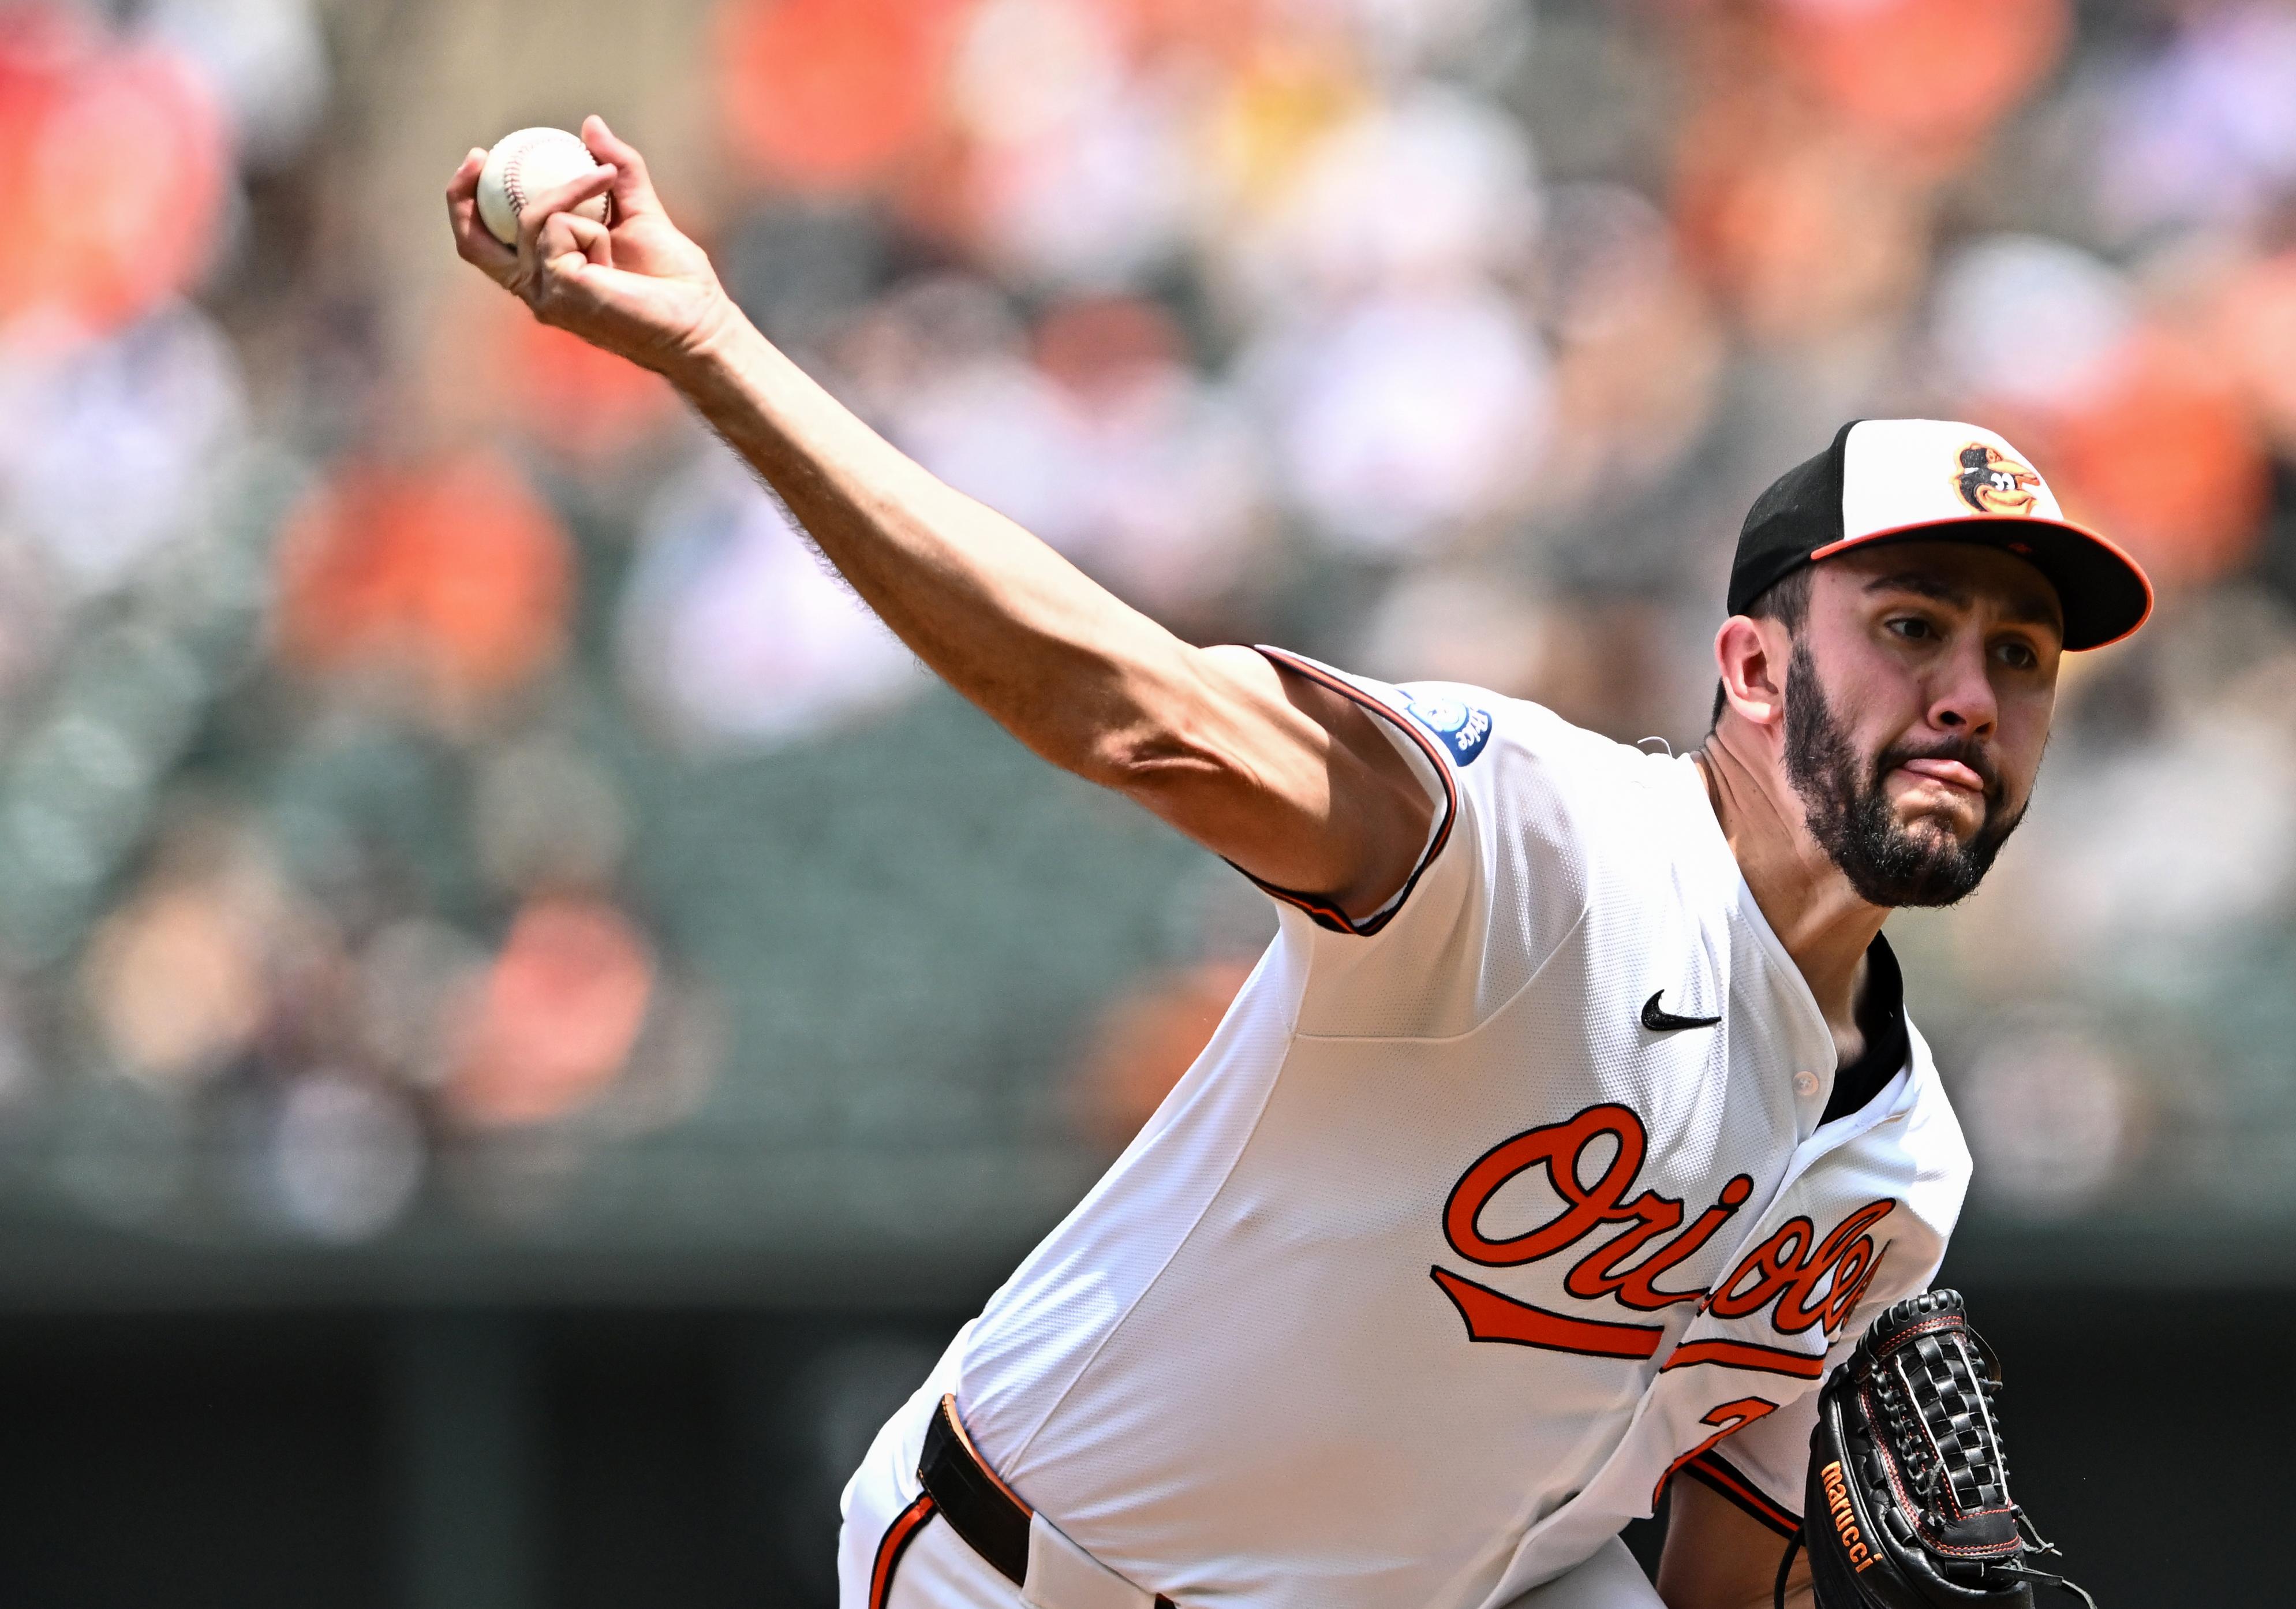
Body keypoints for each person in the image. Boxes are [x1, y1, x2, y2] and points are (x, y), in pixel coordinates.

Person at [446, 120, 2152, 1609]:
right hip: (1045, 1573)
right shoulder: (1529, 848)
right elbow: (1137, 713)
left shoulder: (1899, 1175)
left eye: (2017, 657)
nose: (1965, 692)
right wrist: (716, 352)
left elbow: (1727, 1567)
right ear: (1756, 669)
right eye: (1910, 625)